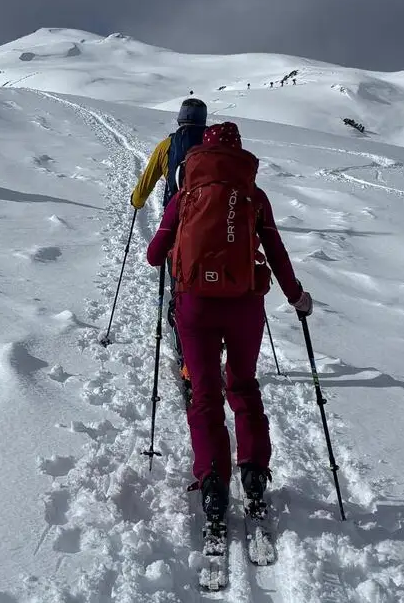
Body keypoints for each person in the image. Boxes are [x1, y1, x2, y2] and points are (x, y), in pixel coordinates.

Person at [146, 121, 313, 523]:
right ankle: (253, 472)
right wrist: (297, 297)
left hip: (194, 305)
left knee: (205, 394)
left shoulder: (186, 194)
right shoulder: (255, 195)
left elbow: (153, 255)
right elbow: (276, 251)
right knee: (243, 385)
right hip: (244, 305)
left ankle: (212, 481)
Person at [130, 97, 208, 399]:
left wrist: (136, 201)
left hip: (178, 230)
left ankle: (189, 361)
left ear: (179, 119)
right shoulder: (215, 147)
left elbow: (146, 183)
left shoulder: (168, 145)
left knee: (182, 291)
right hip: (217, 232)